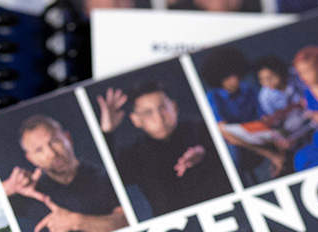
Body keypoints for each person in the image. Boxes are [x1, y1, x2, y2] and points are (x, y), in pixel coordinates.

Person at [96, 80, 233, 217]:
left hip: (226, 211)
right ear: (135, 120)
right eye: (148, 112)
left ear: (174, 107)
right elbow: (103, 181)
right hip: (177, 230)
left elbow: (235, 148)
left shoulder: (203, 130)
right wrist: (107, 134)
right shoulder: (135, 155)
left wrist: (206, 152)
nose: (159, 117)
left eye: (162, 108)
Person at [0, 114, 126, 232]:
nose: (52, 154)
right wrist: (8, 188)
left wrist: (76, 221)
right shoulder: (30, 192)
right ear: (30, 158)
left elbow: (126, 221)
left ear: (68, 138)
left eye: (54, 142)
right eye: (39, 150)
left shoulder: (104, 176)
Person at [199, 48, 283, 181]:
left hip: (258, 136)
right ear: (219, 77)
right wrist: (269, 154)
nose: (235, 79)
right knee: (231, 147)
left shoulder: (250, 91)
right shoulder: (212, 97)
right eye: (228, 76)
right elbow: (225, 132)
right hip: (235, 145)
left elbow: (264, 120)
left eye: (236, 74)